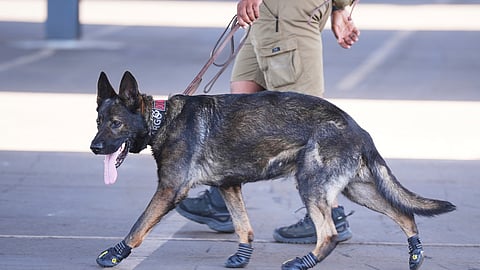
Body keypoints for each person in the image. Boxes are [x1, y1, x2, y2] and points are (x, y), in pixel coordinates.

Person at [176, 0, 360, 244]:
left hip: (286, 14)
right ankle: (223, 200)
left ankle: (329, 213)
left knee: (302, 118)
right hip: (266, 18)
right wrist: (338, 7)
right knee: (239, 110)